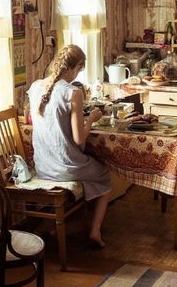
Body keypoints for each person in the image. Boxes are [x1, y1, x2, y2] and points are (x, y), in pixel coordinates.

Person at [27, 44, 111, 248]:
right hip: (65, 167)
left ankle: (55, 225)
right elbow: (80, 138)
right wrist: (91, 118)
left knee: (90, 172)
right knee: (105, 177)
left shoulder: (36, 86)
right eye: (80, 69)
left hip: (42, 166)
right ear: (78, 66)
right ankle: (95, 231)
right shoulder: (72, 92)